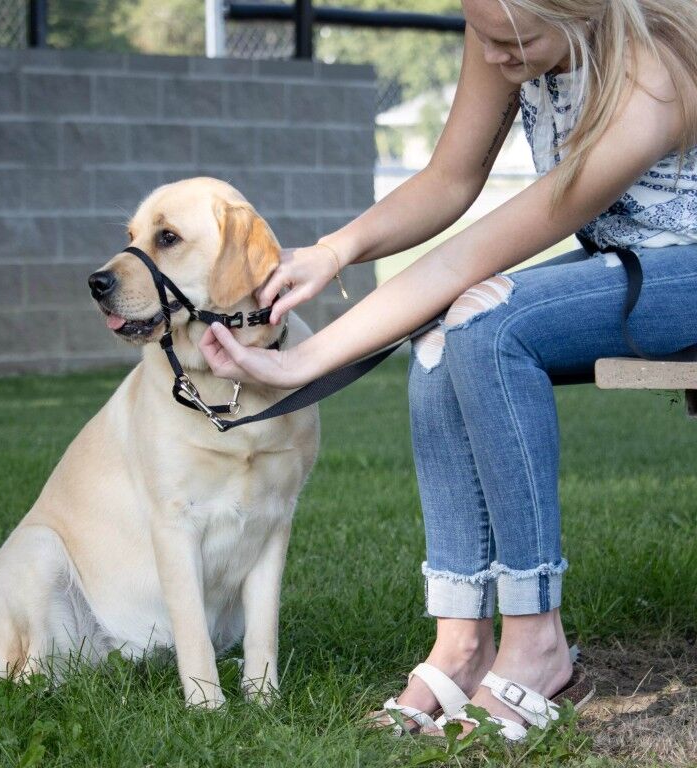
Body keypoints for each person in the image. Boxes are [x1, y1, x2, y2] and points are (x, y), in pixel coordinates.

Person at [199, 0, 697, 741]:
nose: (494, 57)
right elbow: (450, 178)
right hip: (624, 263)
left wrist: (302, 359)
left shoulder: (657, 71)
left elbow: (476, 253)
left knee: (485, 318)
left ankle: (538, 644)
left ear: (584, 12)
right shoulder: (502, 20)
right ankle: (461, 644)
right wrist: (337, 250)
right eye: (483, 35)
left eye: (514, 43)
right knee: (439, 329)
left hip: (685, 267)